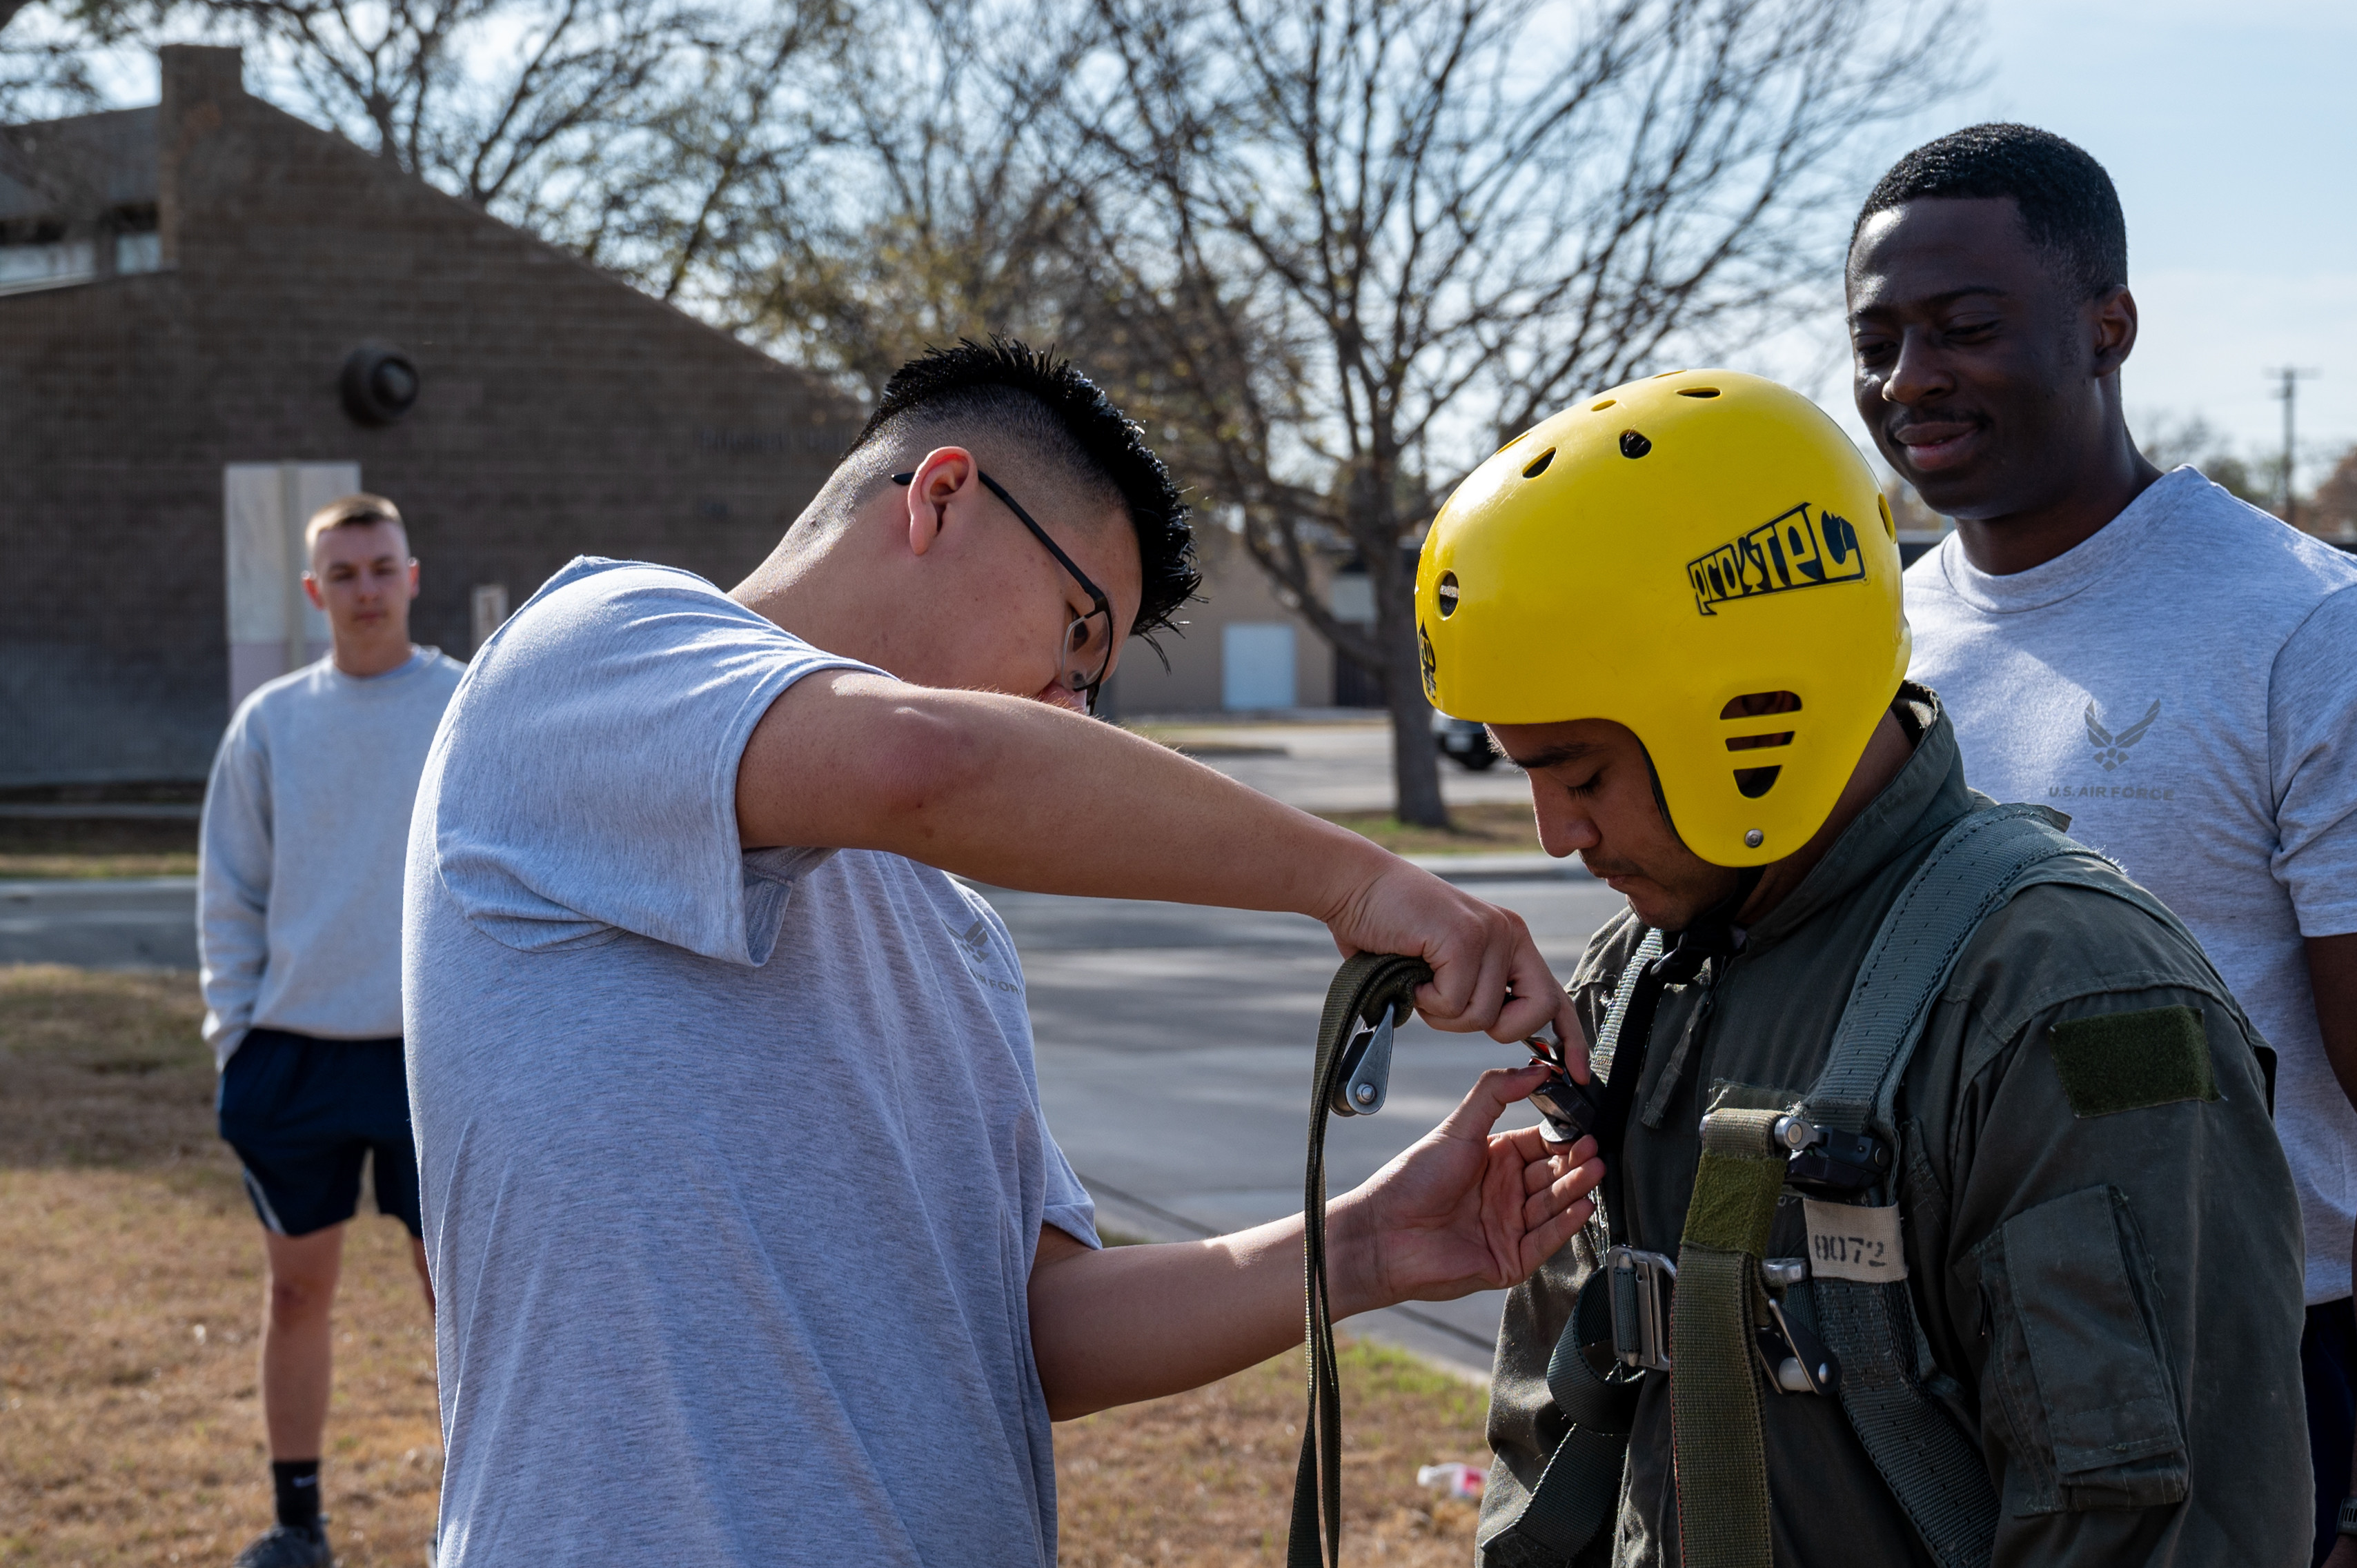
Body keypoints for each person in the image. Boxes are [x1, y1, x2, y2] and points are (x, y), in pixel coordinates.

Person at [402, 339, 1603, 1566]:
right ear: (940, 496)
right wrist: (1357, 880)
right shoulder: (590, 653)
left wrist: (1360, 1242)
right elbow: (926, 760)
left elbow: (1035, 1331)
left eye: (1096, 679)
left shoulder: (952, 928)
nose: (1069, 703)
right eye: (1078, 632)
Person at [1441, 369, 2310, 1565]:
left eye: (1582, 774)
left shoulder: (2068, 1004)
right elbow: (1557, 1433)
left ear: (1751, 707)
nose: (1555, 833)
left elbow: (2150, 1527)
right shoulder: (1635, 983)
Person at [1851, 123, 2357, 1565]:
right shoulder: (1862, 640)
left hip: (2240, 1375)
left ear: (2107, 327)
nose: (1908, 381)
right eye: (1875, 339)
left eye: (1961, 328)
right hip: (1907, 1365)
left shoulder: (2305, 629)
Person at [199, 493, 464, 1568]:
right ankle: (297, 1521)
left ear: (413, 576)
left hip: (433, 1051)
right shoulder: (271, 723)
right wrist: (237, 1035)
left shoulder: (462, 702)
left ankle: (489, 1514)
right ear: (314, 592)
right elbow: (231, 889)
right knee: (295, 1288)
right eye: (342, 573)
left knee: (459, 1296)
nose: (364, 588)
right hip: (298, 1051)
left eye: (381, 567)